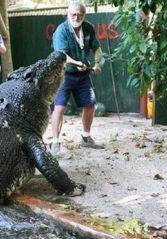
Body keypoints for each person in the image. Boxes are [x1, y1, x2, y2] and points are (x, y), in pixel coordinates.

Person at [49, 2, 104, 156]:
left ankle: (86, 138)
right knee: (59, 108)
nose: (76, 17)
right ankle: (55, 141)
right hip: (63, 75)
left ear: (84, 15)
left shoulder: (88, 28)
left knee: (90, 104)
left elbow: (97, 48)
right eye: (73, 14)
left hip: (83, 74)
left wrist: (98, 63)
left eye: (79, 14)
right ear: (68, 14)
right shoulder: (61, 30)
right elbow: (61, 55)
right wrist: (77, 63)